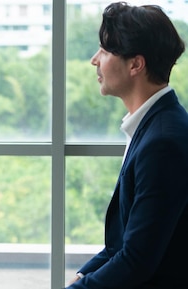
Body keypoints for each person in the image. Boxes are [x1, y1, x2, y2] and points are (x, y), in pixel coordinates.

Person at [67, 2, 188, 288]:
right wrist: (83, 275)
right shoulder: (154, 125)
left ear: (136, 64)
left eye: (105, 51)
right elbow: (125, 243)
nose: (94, 60)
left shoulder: (163, 142)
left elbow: (136, 260)